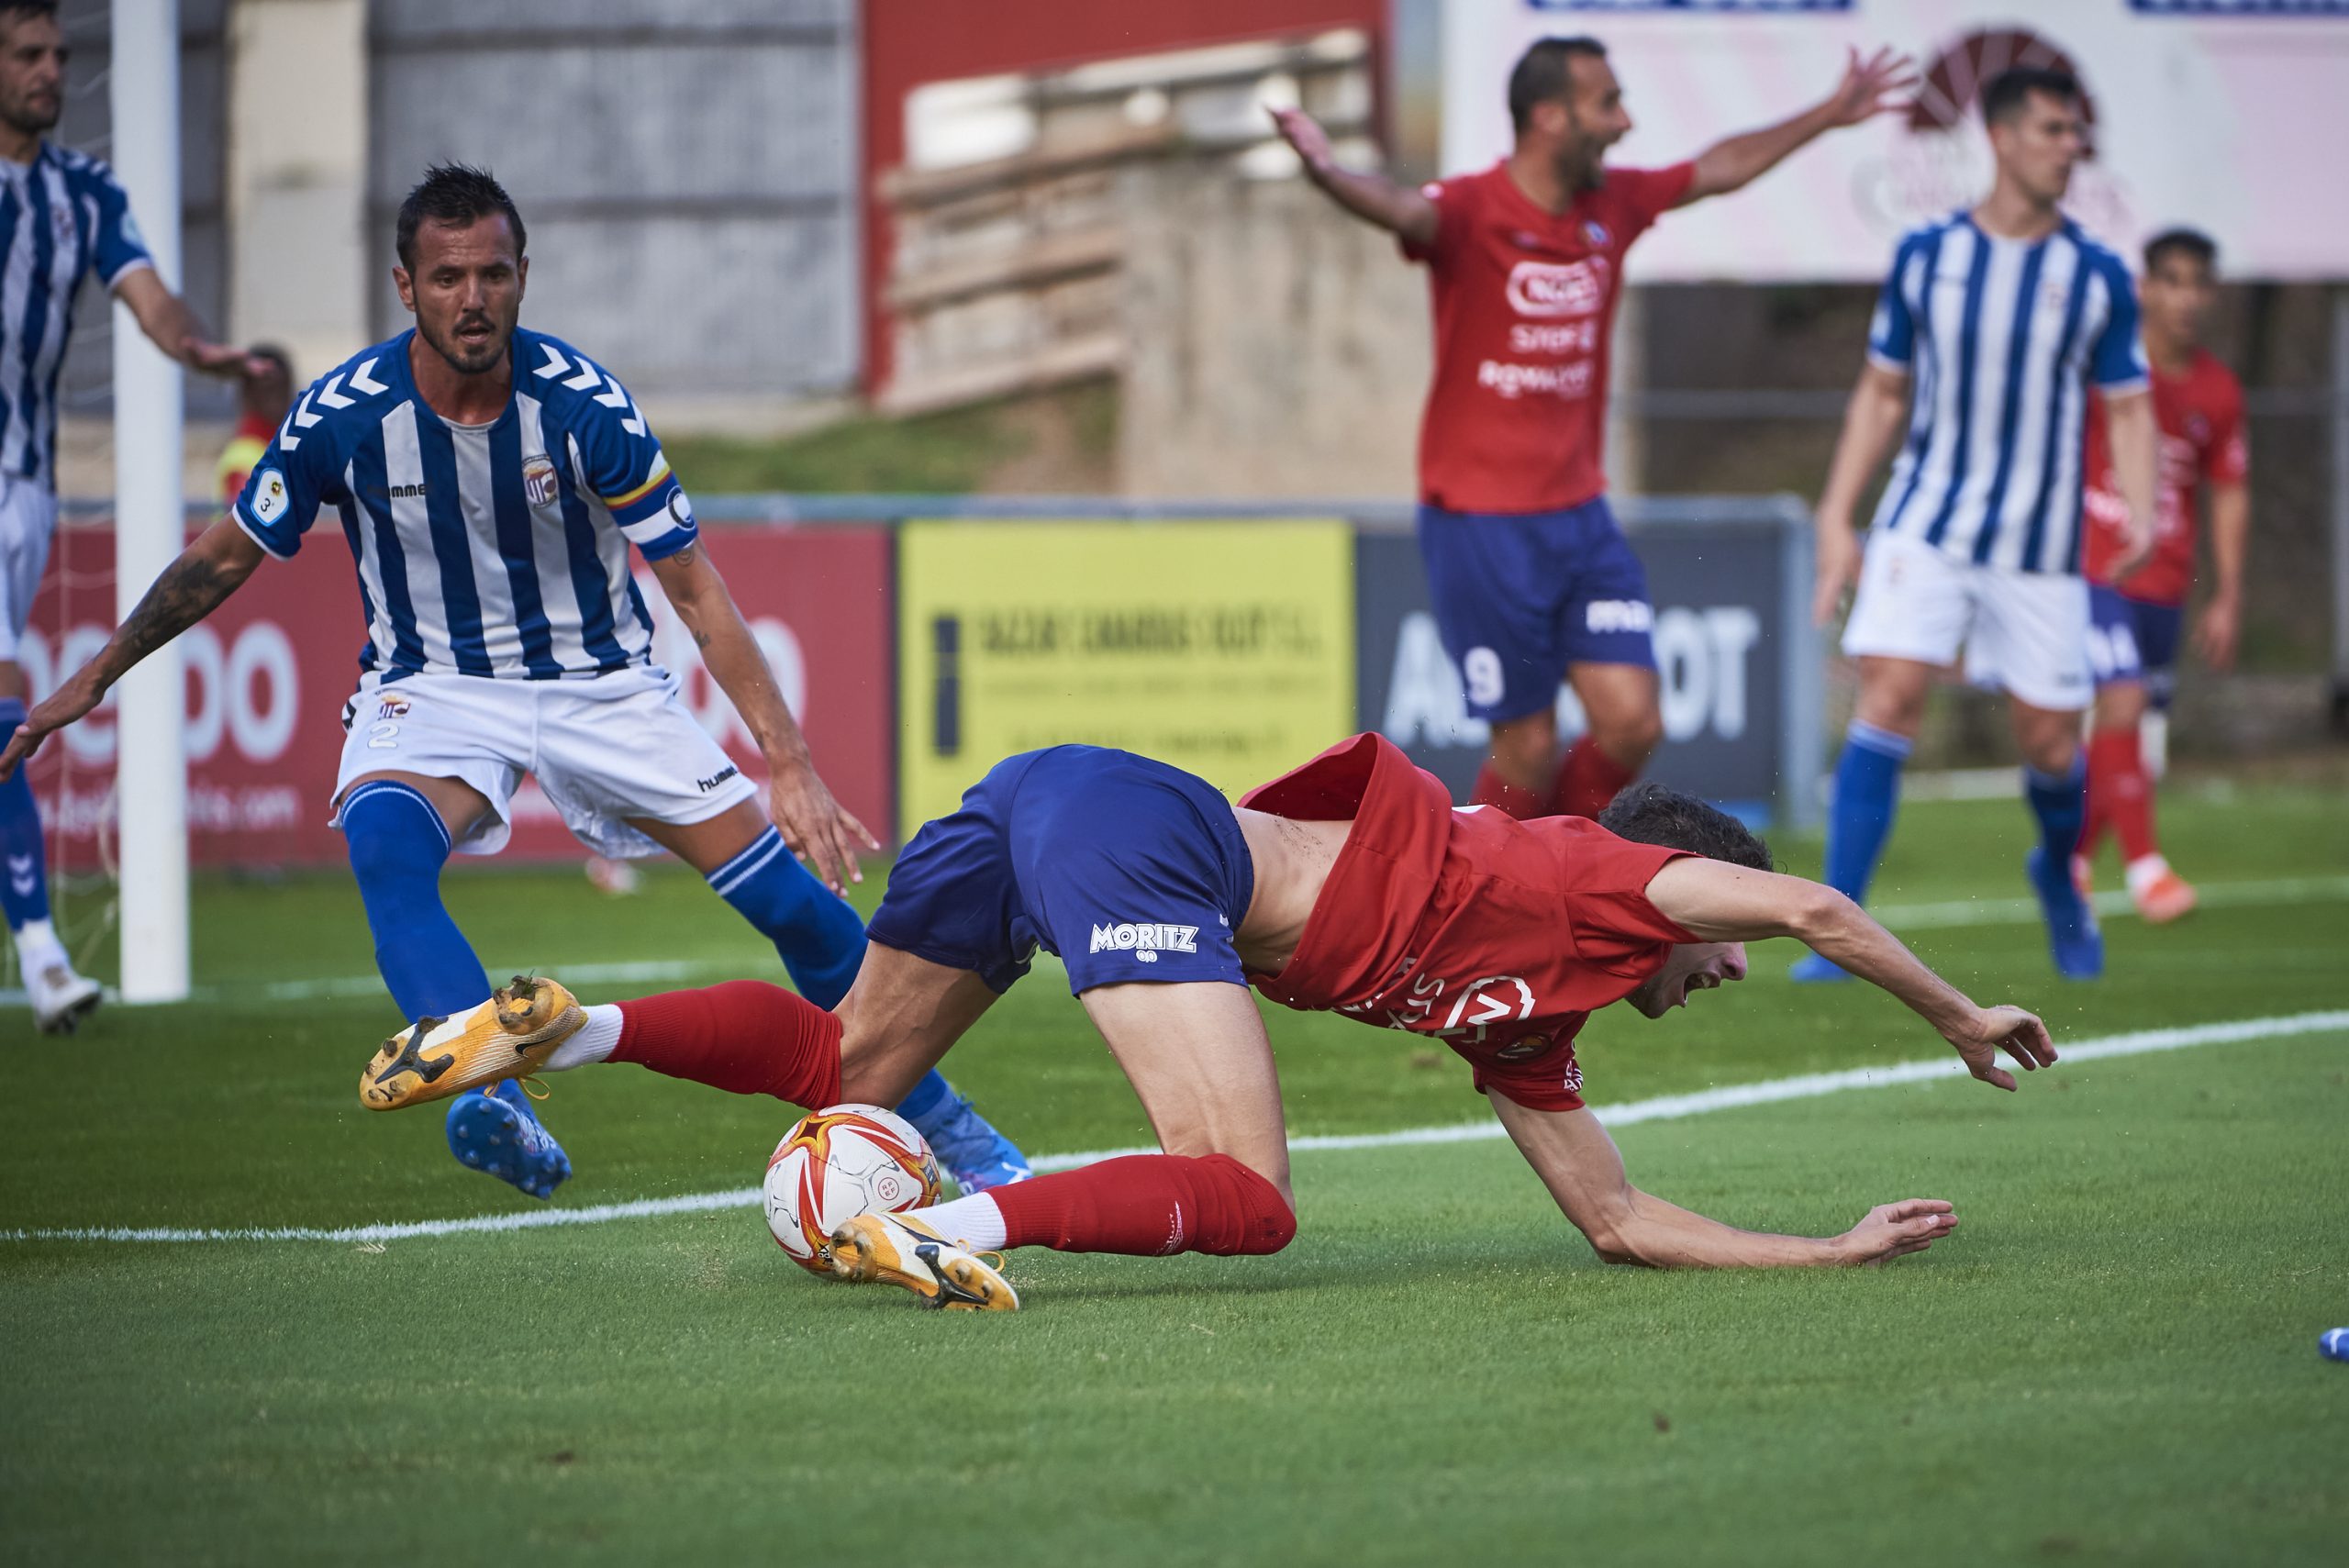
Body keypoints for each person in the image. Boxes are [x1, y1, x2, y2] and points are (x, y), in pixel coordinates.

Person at [0, 164, 1027, 1197]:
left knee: (794, 908)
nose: (473, 298)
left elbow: (697, 592)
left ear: (523, 276)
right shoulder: (343, 415)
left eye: (493, 274)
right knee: (385, 849)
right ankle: (492, 1098)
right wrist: (95, 676)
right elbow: (224, 555)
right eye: (448, 277)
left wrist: (789, 761)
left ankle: (948, 1123)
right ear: (405, 286)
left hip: (602, 686)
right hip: (432, 685)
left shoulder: (585, 406)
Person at [355, 733, 2057, 1311]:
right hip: (1147, 837)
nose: (1725, 966)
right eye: (1714, 939)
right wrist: (1961, 1015)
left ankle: (571, 1026)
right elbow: (1816, 908)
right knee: (1246, 1192)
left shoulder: (1528, 1027)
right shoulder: (1614, 875)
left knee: (847, 1066)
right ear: (1686, 889)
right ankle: (940, 1225)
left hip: (1055, 798)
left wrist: (1823, 1250)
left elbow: (1615, 1218)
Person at [1271, 37, 1913, 821]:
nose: (1624, 122)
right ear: (1549, 117)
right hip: (1480, 524)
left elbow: (1715, 169)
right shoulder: (1472, 210)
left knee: (1633, 720)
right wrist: (1327, 172)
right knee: (1527, 746)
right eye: (1607, 103)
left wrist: (1827, 114)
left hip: (1580, 518)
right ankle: (1488, 882)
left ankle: (1560, 855)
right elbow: (1402, 208)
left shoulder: (1612, 205)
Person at [1806, 66, 2159, 983]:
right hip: (1925, 519)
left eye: (2075, 133)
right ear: (2000, 138)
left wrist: (2141, 503)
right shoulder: (1927, 256)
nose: (2069, 147)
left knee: (2049, 743)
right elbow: (1883, 391)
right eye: (2051, 129)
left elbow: (2127, 405)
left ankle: (2057, 878)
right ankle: (1837, 927)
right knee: (1888, 693)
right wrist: (1837, 514)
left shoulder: (2096, 273)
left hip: (2038, 546)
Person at [0, 0, 267, 1031]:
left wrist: (203, 351)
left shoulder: (84, 191)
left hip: (25, 488)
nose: (51, 70)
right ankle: (41, 952)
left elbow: (153, 303)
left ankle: (40, 951)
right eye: (29, 54)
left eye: (59, 53)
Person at [2074, 228, 2248, 922]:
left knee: (2125, 737)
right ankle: (2147, 871)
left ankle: (2070, 861)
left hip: (2167, 582)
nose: (2185, 298)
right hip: (2096, 566)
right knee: (2122, 702)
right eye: (2171, 280)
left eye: (2197, 283)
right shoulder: (2104, 367)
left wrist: (2228, 595)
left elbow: (2229, 491)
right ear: (2144, 287)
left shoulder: (2218, 389)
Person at [215, 345, 294, 504]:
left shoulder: (280, 447)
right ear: (246, 390)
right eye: (268, 387)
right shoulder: (244, 456)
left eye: (282, 387)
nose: (277, 398)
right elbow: (245, 516)